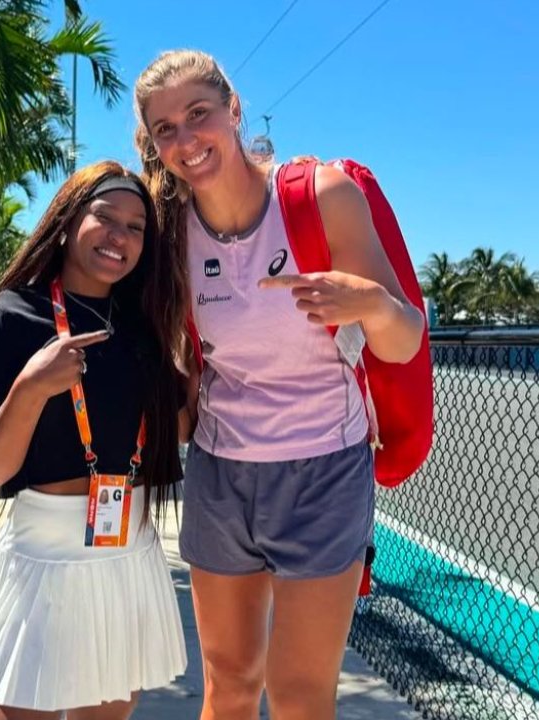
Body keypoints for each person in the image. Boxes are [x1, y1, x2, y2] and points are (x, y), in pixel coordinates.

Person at [131, 49, 425, 720]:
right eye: (165, 129)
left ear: (234, 110)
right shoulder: (169, 229)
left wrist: (370, 304)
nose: (186, 139)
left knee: (299, 695)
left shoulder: (322, 197)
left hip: (325, 469)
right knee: (229, 685)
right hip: (221, 473)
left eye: (198, 114)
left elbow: (403, 338)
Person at [0, 161, 189, 720]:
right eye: (105, 217)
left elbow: (178, 430)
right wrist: (32, 386)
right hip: (39, 561)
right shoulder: (10, 316)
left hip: (126, 557)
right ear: (65, 221)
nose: (120, 236)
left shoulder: (144, 326)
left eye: (135, 228)